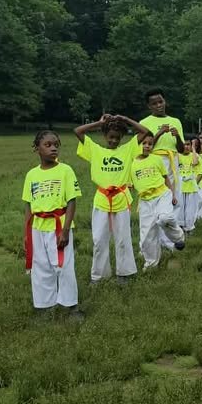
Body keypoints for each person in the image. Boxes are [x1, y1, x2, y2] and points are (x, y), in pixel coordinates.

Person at [74, 113, 150, 284]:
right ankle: (99, 276)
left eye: (117, 137)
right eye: (111, 137)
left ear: (122, 137)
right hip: (102, 200)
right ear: (104, 136)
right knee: (99, 240)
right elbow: (78, 131)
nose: (114, 140)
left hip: (121, 200)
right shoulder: (95, 150)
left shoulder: (128, 149)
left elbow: (145, 131)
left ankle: (124, 273)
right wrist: (99, 123)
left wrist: (126, 119)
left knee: (123, 239)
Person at [22, 129, 82, 318]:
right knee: (40, 267)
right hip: (37, 227)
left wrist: (65, 230)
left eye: (56, 144)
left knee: (63, 266)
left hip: (58, 226)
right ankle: (45, 306)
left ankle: (71, 307)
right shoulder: (31, 175)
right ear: (37, 148)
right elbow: (28, 205)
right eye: (47, 145)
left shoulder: (65, 170)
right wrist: (26, 234)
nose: (53, 148)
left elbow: (71, 201)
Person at [130, 131, 186, 268]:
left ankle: (178, 237)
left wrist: (172, 194)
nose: (147, 146)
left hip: (162, 194)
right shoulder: (131, 163)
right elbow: (128, 184)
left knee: (165, 218)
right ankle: (151, 264)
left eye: (150, 144)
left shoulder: (156, 159)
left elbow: (166, 178)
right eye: (144, 143)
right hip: (145, 201)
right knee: (147, 235)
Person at [139, 89, 185, 177]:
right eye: (154, 104)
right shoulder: (144, 123)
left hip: (173, 162)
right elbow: (142, 150)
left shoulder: (176, 121)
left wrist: (178, 136)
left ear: (165, 101)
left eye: (161, 102)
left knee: (173, 186)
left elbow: (181, 150)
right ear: (149, 106)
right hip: (153, 162)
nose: (159, 105)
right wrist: (159, 133)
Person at [178, 138, 202, 233]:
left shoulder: (194, 156)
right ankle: (180, 226)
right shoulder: (178, 156)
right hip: (180, 187)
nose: (186, 147)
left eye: (188, 144)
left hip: (191, 187)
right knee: (180, 208)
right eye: (184, 144)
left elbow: (195, 163)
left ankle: (189, 227)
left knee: (190, 209)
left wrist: (193, 149)